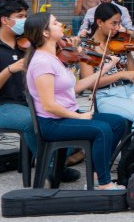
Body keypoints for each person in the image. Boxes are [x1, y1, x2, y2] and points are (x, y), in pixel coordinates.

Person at [22, 12, 128, 190]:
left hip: (66, 117)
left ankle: (95, 174)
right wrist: (78, 117)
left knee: (118, 123)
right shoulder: (42, 62)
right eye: (55, 23)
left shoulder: (54, 59)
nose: (60, 24)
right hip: (53, 123)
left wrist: (106, 68)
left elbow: (74, 89)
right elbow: (49, 105)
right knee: (101, 130)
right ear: (45, 33)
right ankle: (104, 183)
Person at [0, 0, 79, 182]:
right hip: (2, 107)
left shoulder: (28, 46)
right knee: (32, 121)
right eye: (20, 16)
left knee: (69, 115)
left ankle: (56, 162)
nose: (25, 20)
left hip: (31, 101)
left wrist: (69, 48)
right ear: (5, 20)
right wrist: (10, 69)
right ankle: (48, 166)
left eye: (26, 16)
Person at [78, 3, 134, 142]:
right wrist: (120, 75)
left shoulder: (120, 44)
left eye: (119, 23)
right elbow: (90, 83)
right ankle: (132, 157)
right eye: (113, 23)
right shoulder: (86, 47)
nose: (117, 28)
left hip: (132, 91)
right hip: (107, 96)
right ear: (99, 22)